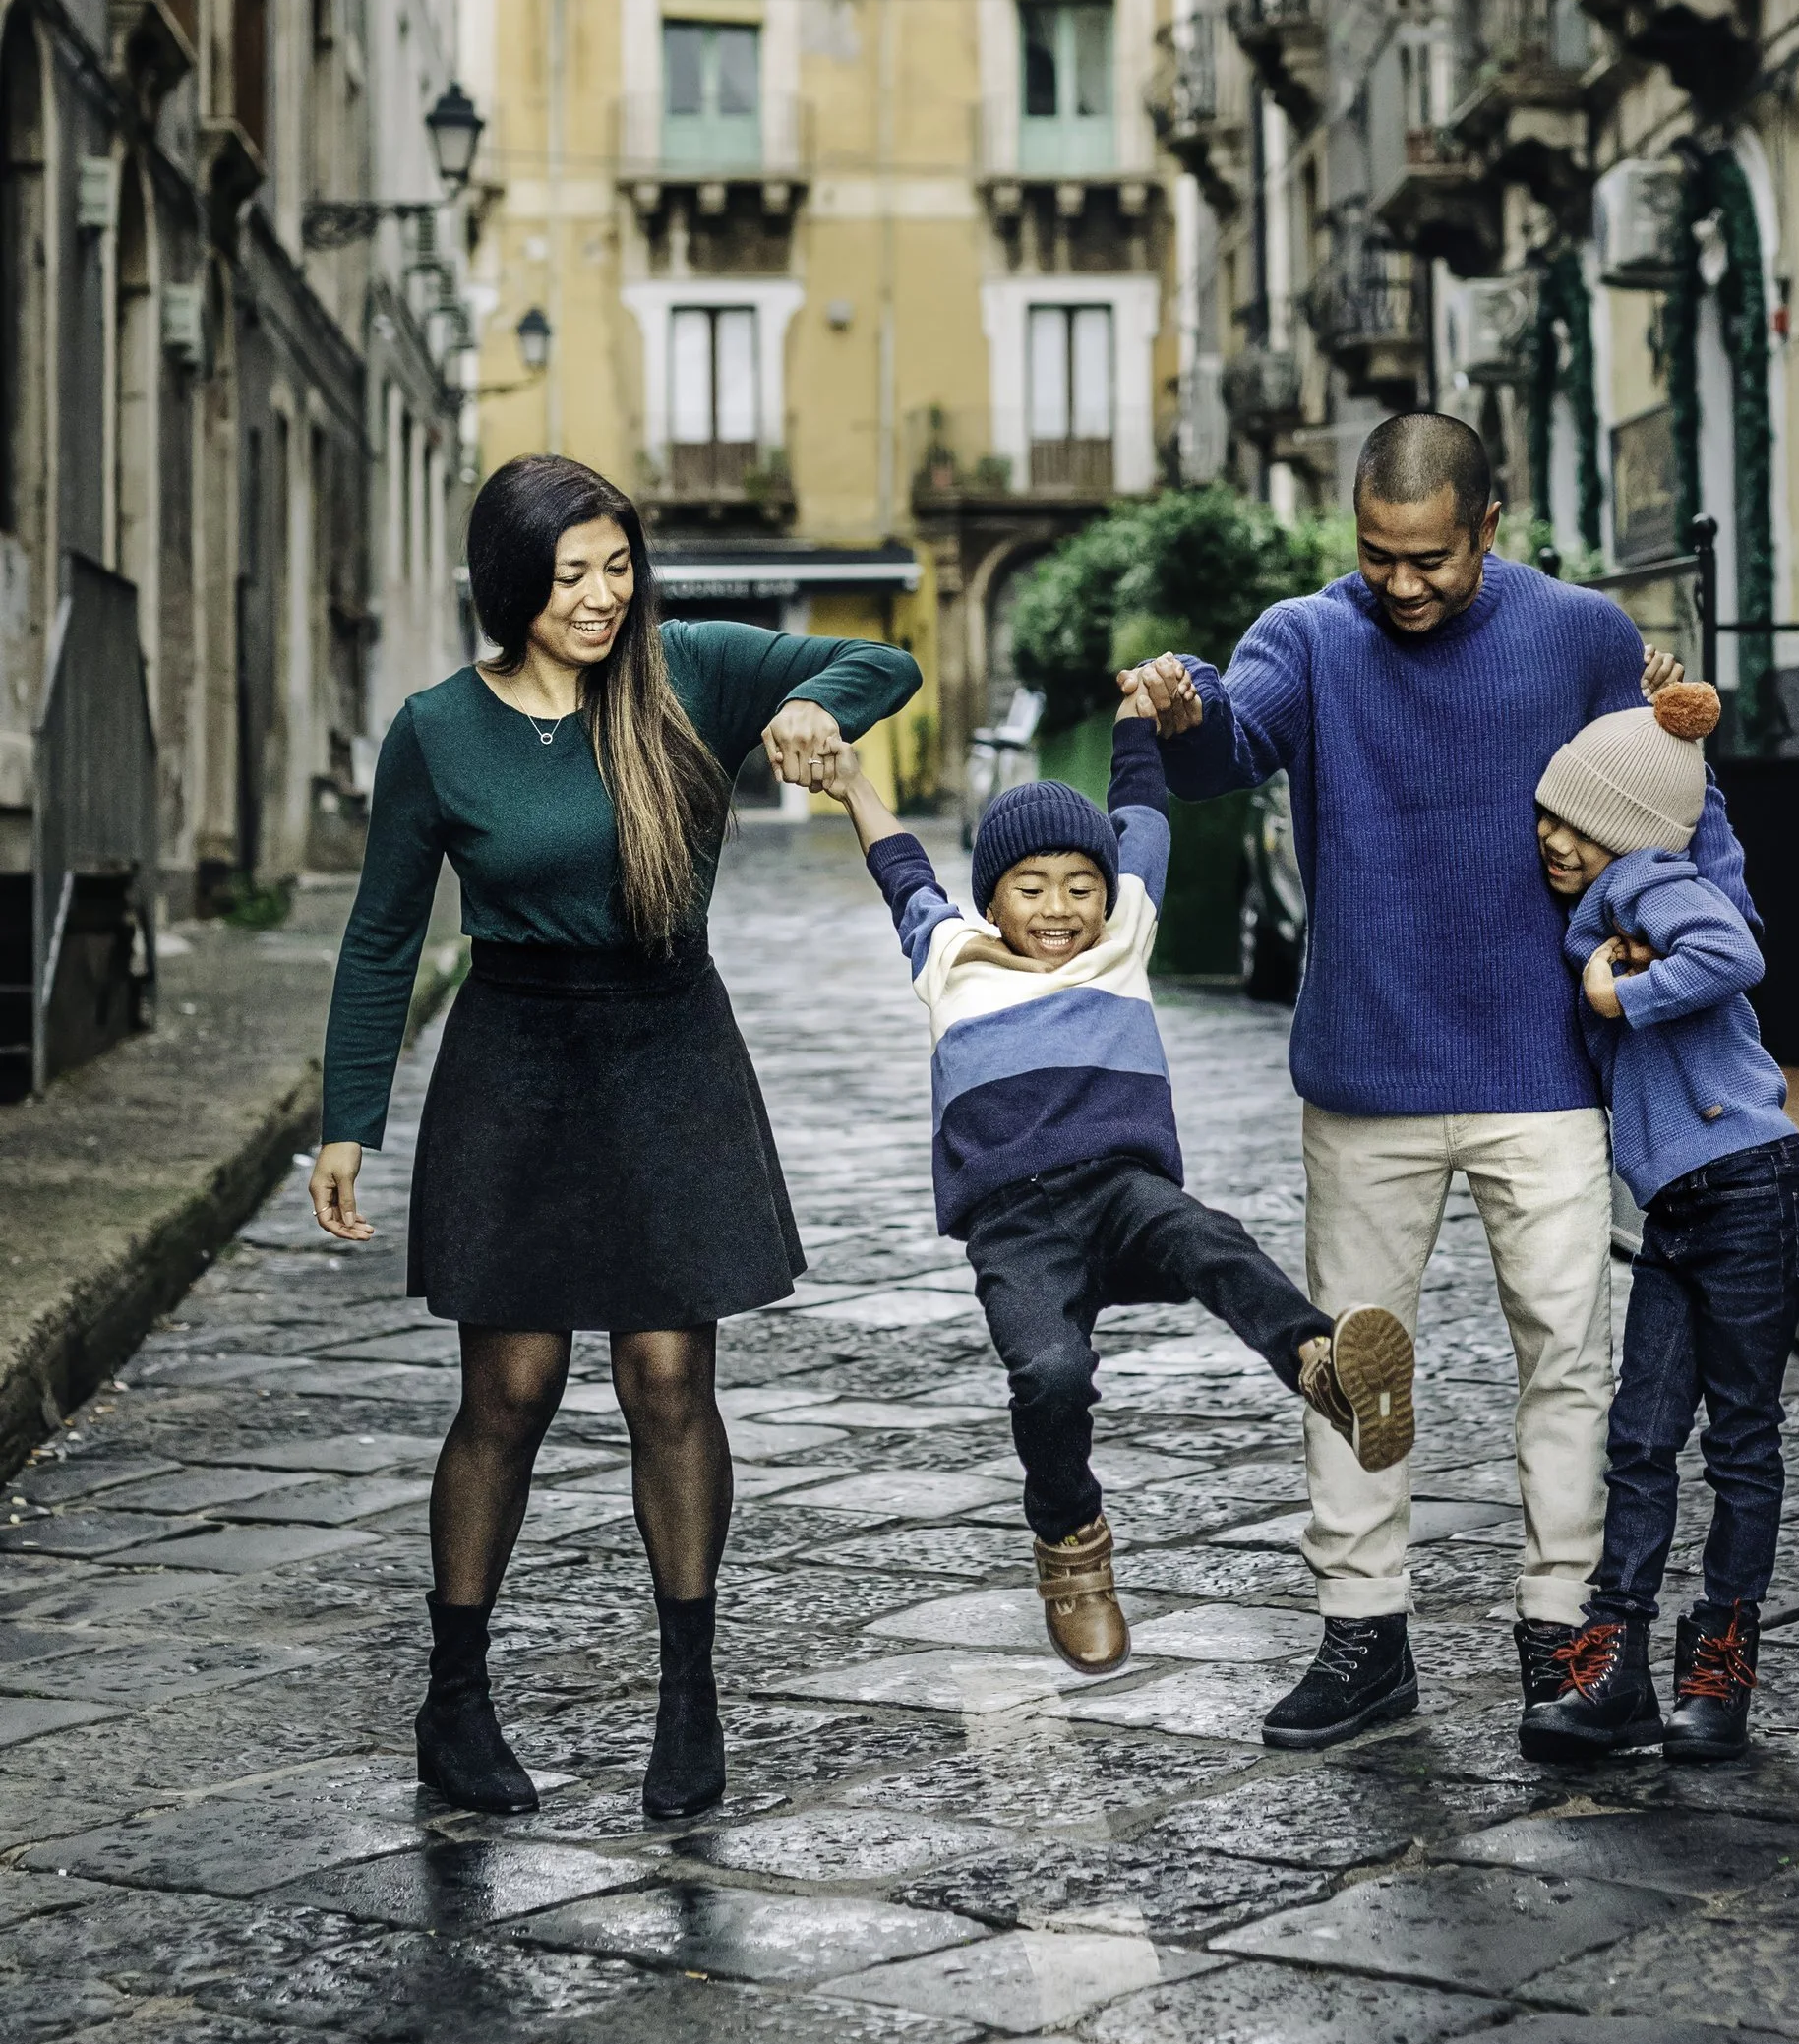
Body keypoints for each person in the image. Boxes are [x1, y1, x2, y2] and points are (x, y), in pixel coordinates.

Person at [309, 453, 918, 1826]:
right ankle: (454, 1700)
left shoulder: (687, 669)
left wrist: (815, 704)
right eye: (572, 573)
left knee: (666, 1377)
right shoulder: (437, 731)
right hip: (514, 1058)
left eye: (618, 564)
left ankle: (688, 1697)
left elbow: (879, 662)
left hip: (665, 1047)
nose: (602, 595)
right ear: (510, 581)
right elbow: (382, 933)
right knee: (509, 1390)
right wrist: (345, 1119)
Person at [1138, 409, 1758, 1752]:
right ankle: (1364, 1636)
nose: (1403, 583)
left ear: (1489, 523)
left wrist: (1698, 934)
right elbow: (1227, 741)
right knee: (1355, 1363)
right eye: (1377, 555)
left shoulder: (1581, 632)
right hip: (1366, 1070)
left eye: (1431, 556)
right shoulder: (1307, 636)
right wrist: (1184, 704)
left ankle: (1566, 1639)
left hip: (1545, 1062)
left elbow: (1667, 802)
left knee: (1569, 1362)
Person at [818, 674, 1414, 1679]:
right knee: (1049, 1377)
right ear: (992, 897)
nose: (1060, 908)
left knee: (1210, 1237)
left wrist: (1138, 719)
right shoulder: (948, 954)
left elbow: (1141, 820)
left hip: (1121, 1192)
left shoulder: (1122, 939)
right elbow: (898, 864)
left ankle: (1323, 1368)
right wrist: (849, 783)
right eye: (1032, 887)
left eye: (1080, 886)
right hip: (1016, 1226)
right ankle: (1072, 1549)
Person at [1522, 684, 1799, 1767]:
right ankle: (1618, 1670)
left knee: (1739, 1441)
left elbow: (1733, 955)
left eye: (1579, 823)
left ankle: (1720, 1664)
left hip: (1749, 1190)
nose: (1555, 839)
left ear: (1633, 833)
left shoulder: (1649, 880)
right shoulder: (1623, 895)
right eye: (1549, 817)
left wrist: (1618, 999)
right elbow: (1713, 848)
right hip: (1681, 1212)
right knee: (1640, 1439)